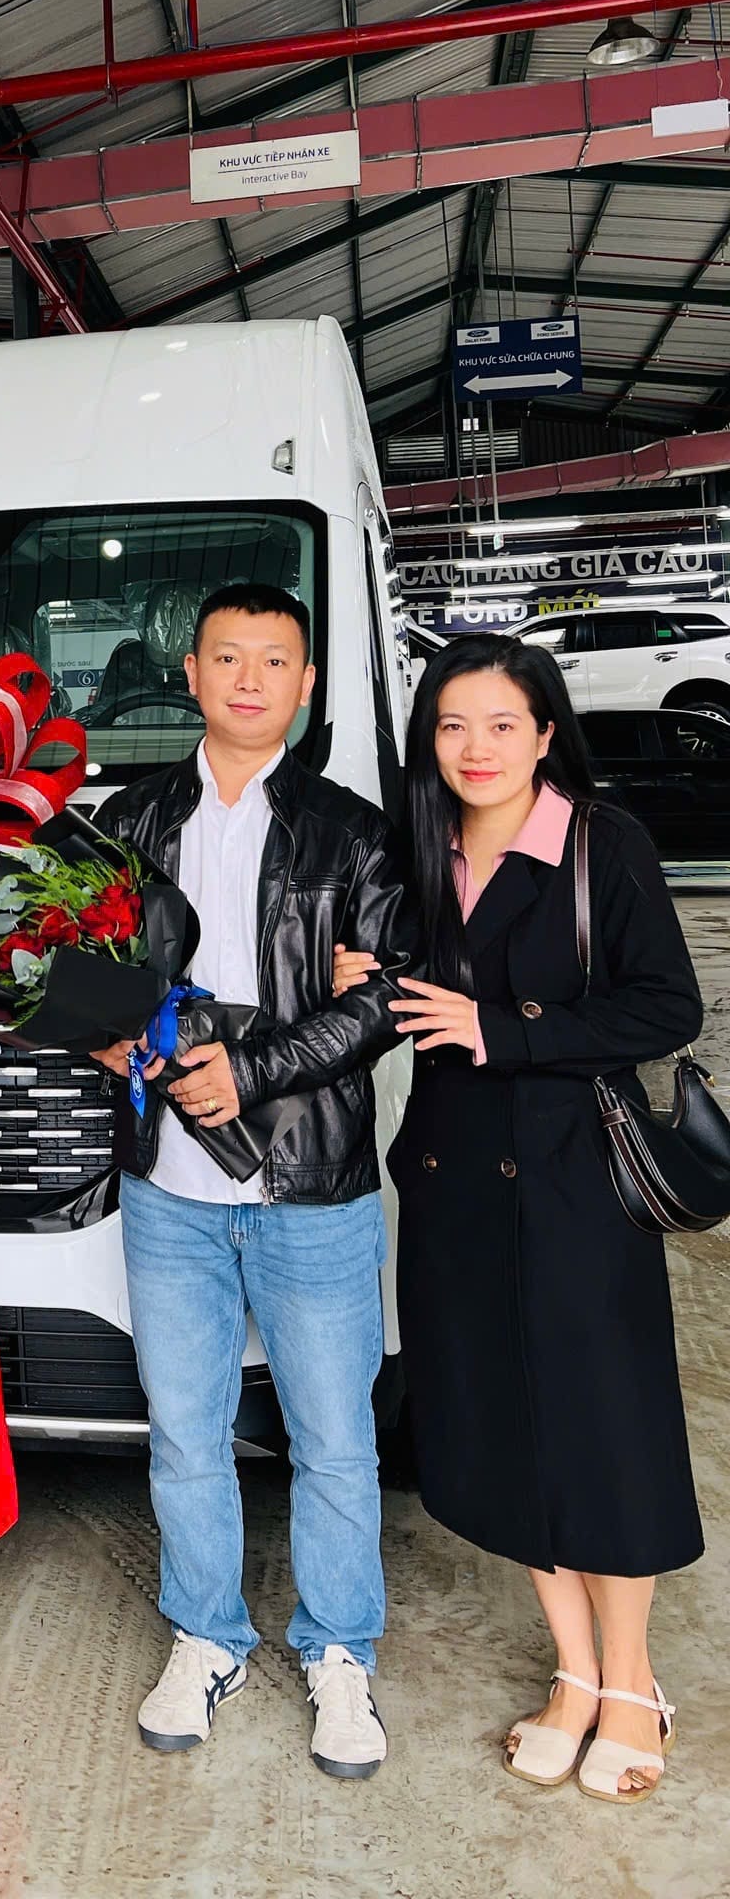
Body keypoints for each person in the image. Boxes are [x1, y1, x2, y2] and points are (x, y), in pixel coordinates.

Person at [332, 632, 704, 1806]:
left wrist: (505, 1028)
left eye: (502, 724)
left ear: (546, 732)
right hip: (455, 1185)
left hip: (577, 1182)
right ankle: (575, 1671)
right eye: (452, 725)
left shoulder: (601, 841)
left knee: (605, 1429)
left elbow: (668, 1006)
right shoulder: (418, 849)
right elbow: (411, 1001)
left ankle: (633, 1680)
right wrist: (365, 988)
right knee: (499, 1422)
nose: (476, 747)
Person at [94, 582, 415, 1780]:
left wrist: (255, 1070)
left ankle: (339, 1651)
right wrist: (99, 1036)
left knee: (334, 1439)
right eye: (226, 656)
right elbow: (74, 964)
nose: (248, 679)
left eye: (273, 660)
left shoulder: (354, 831)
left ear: (306, 684)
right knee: (185, 1433)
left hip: (312, 1184)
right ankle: (206, 1636)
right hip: (168, 1191)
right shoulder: (128, 818)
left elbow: (384, 1000)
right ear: (189, 673)